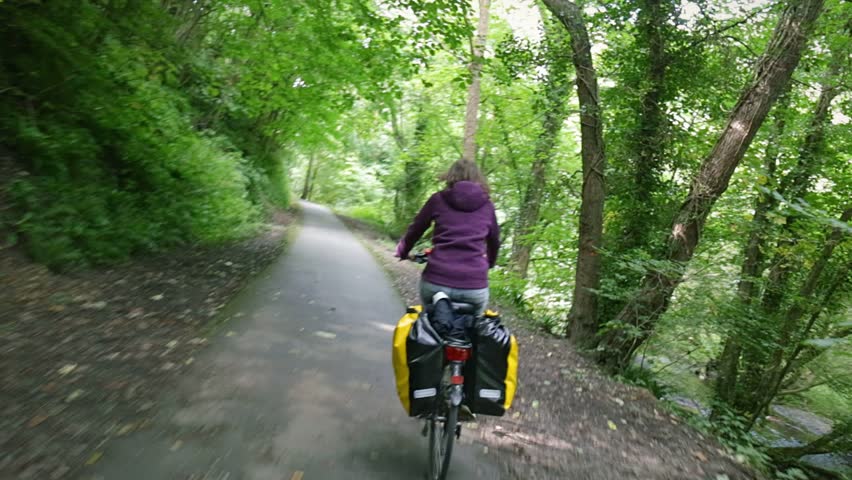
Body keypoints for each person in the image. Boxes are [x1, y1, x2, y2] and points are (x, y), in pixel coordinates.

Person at [395, 159, 500, 317]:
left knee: (429, 328)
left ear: (450, 176)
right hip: (474, 285)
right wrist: (489, 263)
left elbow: (416, 229)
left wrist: (403, 251)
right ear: (479, 178)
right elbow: (494, 240)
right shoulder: (487, 206)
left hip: (437, 280)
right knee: (475, 332)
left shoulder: (438, 199)